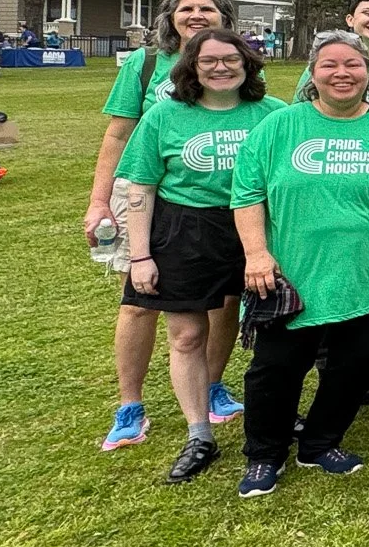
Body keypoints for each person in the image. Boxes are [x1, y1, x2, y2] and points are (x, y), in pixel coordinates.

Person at [230, 32, 369, 497]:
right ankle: (265, 455)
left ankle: (320, 443)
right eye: (330, 65)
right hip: (293, 273)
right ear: (312, 75)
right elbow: (247, 194)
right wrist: (257, 254)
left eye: (353, 65)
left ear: (368, 73)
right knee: (276, 369)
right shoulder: (280, 127)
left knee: (355, 367)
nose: (342, 73)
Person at [117, 29, 285, 482]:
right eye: (208, 60)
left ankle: (274, 418)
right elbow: (141, 187)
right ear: (191, 66)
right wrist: (140, 256)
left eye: (231, 59)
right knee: (188, 335)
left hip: (258, 229)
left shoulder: (273, 114)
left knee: (272, 329)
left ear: (248, 64)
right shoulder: (165, 115)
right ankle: (199, 434)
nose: (220, 67)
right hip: (186, 230)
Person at [92, 0, 238, 451]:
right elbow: (117, 135)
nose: (197, 15)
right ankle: (130, 405)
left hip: (219, 203)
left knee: (224, 300)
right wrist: (98, 201)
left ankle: (211, 386)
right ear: (170, 17)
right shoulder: (146, 64)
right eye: (187, 8)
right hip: (145, 191)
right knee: (139, 297)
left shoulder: (230, 64)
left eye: (208, 8)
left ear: (224, 17)